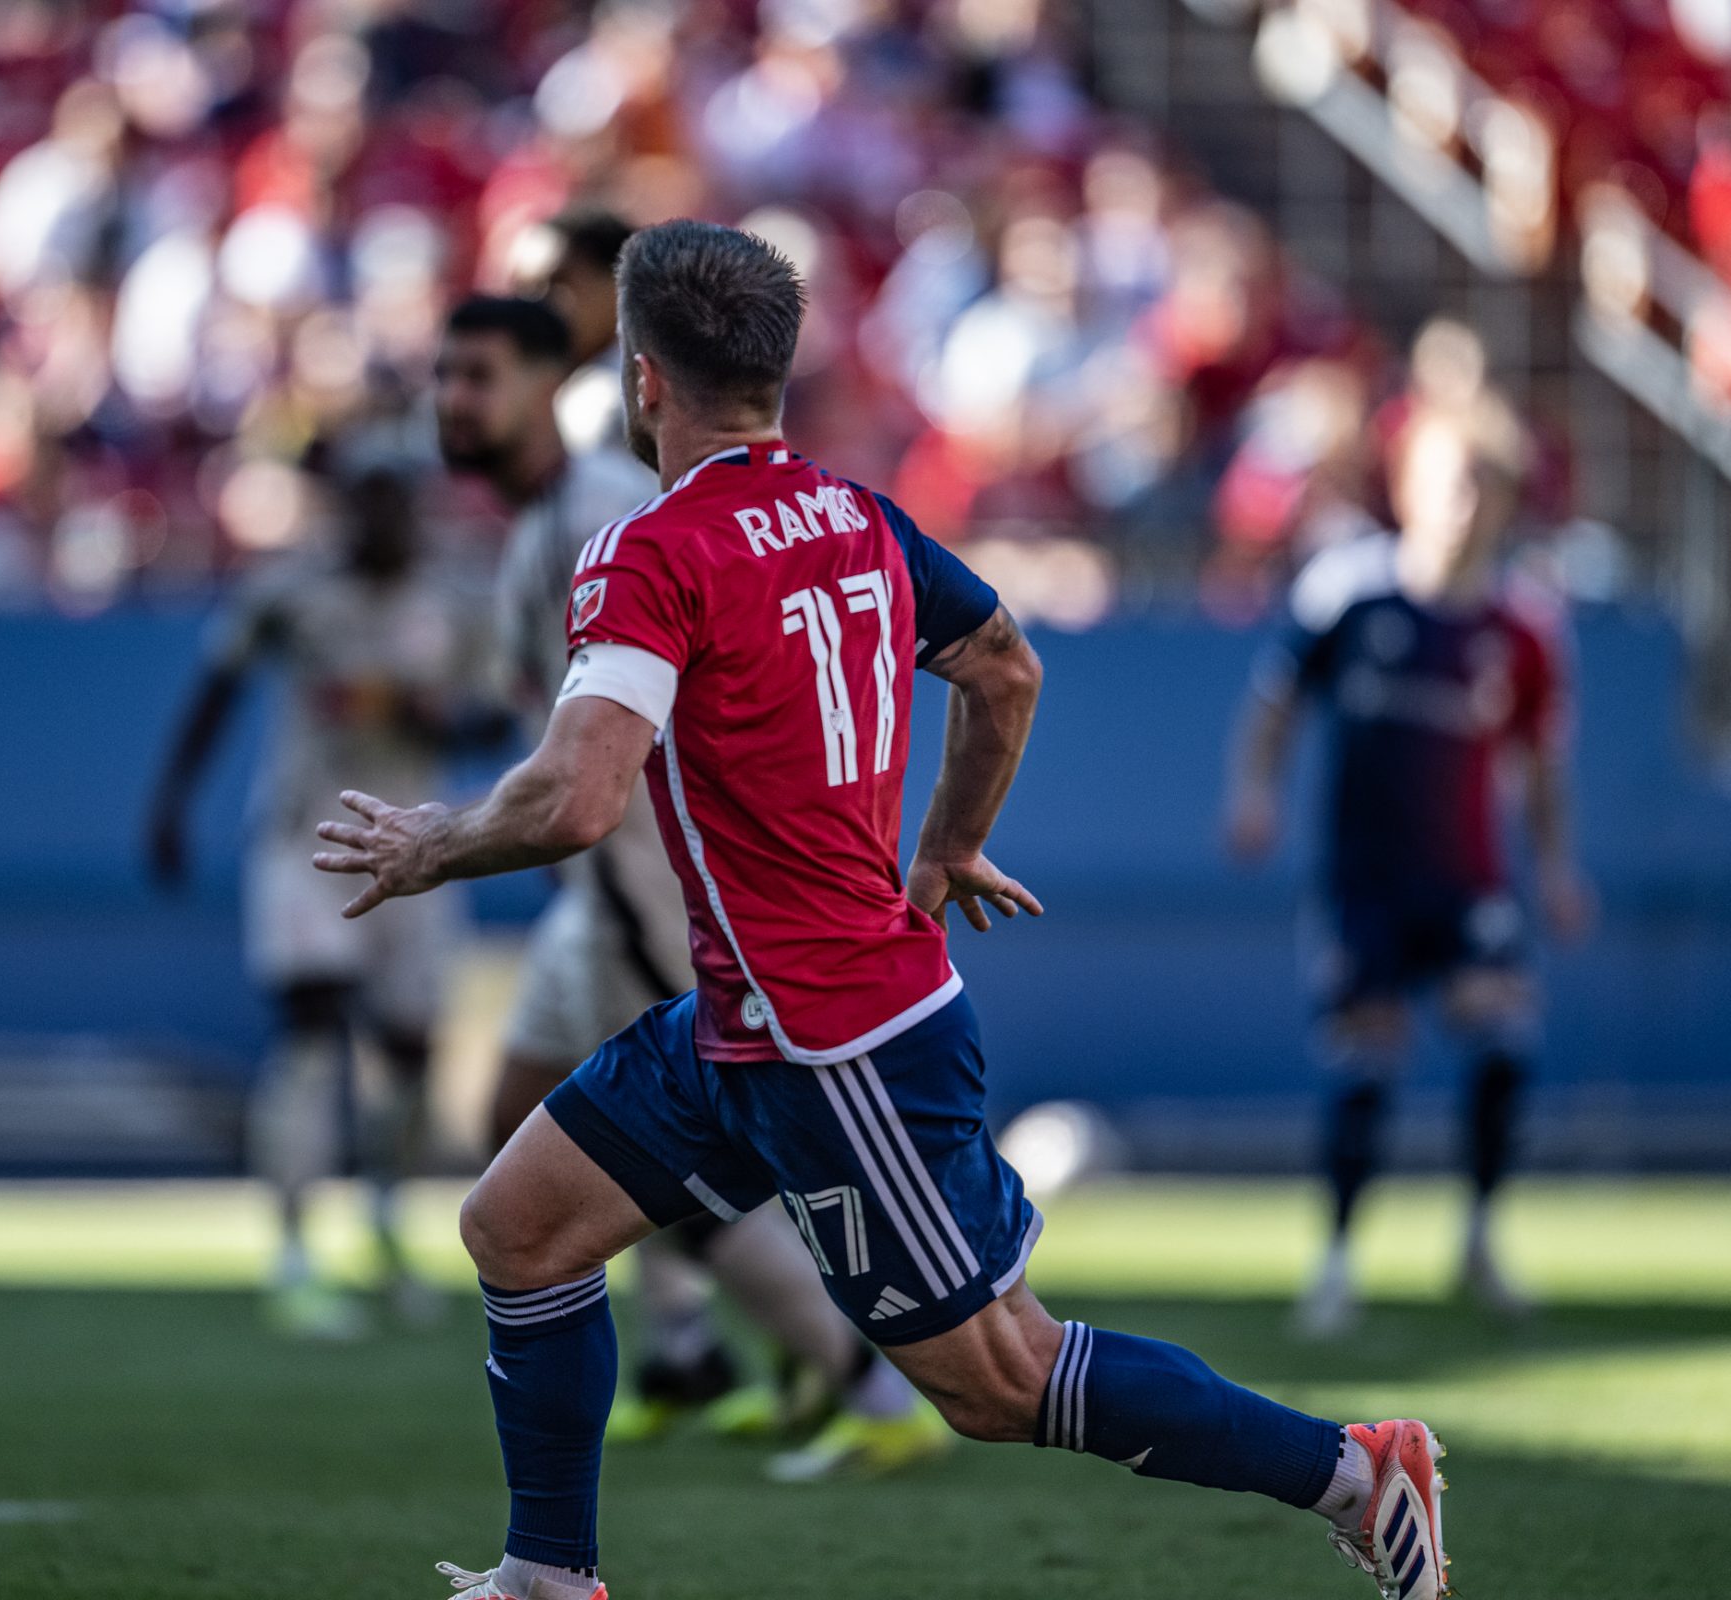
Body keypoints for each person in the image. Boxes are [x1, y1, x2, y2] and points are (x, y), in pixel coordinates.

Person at [315, 220, 1452, 1600]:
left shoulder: (651, 550)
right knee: (520, 1226)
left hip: (835, 1043)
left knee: (995, 1378)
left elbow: (574, 799)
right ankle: (549, 1577)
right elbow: (1006, 667)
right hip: (748, 1017)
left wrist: (436, 845)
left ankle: (1353, 1471)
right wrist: (948, 845)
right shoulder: (855, 514)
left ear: (640, 378)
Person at [433, 294, 946, 1480]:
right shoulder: (545, 526)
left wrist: (451, 841)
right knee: (518, 1125)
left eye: (481, 378)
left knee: (661, 1149)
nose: (455, 402)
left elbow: (624, 736)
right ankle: (684, 1350)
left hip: (648, 872)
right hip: (595, 886)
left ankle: (861, 1372)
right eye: (447, 378)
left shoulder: (615, 519)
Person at [1226, 397, 1589, 1339]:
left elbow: (1541, 763)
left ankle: (1477, 1234)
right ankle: (1339, 1259)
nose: (1470, 504)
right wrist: (1255, 794)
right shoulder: (1349, 589)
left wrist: (1554, 868)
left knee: (1506, 1042)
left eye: (1488, 487)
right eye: (1453, 481)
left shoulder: (1525, 626)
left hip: (1469, 879)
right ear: (1411, 487)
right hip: (1365, 881)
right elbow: (1275, 704)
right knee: (1366, 1065)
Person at [146, 460, 490, 1339]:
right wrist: (173, 799)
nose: (381, 519)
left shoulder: (455, 594)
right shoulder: (291, 591)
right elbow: (217, 686)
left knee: (412, 1051)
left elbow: (497, 715)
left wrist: (429, 718)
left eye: (395, 499)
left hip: (419, 844)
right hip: (304, 838)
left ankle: (384, 1218)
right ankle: (295, 1250)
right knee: (310, 1027)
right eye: (366, 500)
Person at [518, 209, 637, 458]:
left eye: (557, 283)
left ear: (619, 284)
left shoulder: (624, 396)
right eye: (526, 289)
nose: (536, 305)